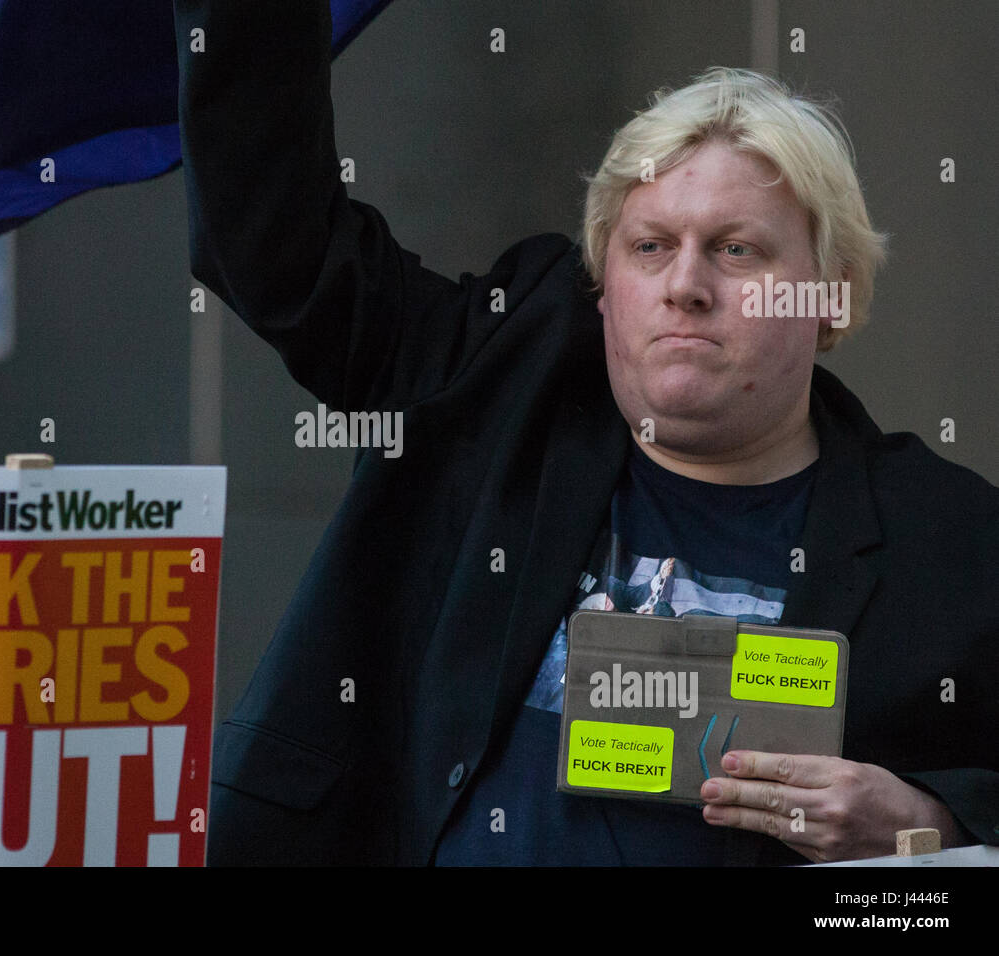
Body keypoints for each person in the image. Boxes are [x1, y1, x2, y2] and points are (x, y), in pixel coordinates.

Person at [173, 0, 999, 865]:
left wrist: (933, 826)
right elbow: (274, 245)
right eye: (648, 247)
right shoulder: (488, 385)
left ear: (829, 295)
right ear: (602, 283)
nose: (685, 284)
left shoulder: (951, 547)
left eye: (736, 250)